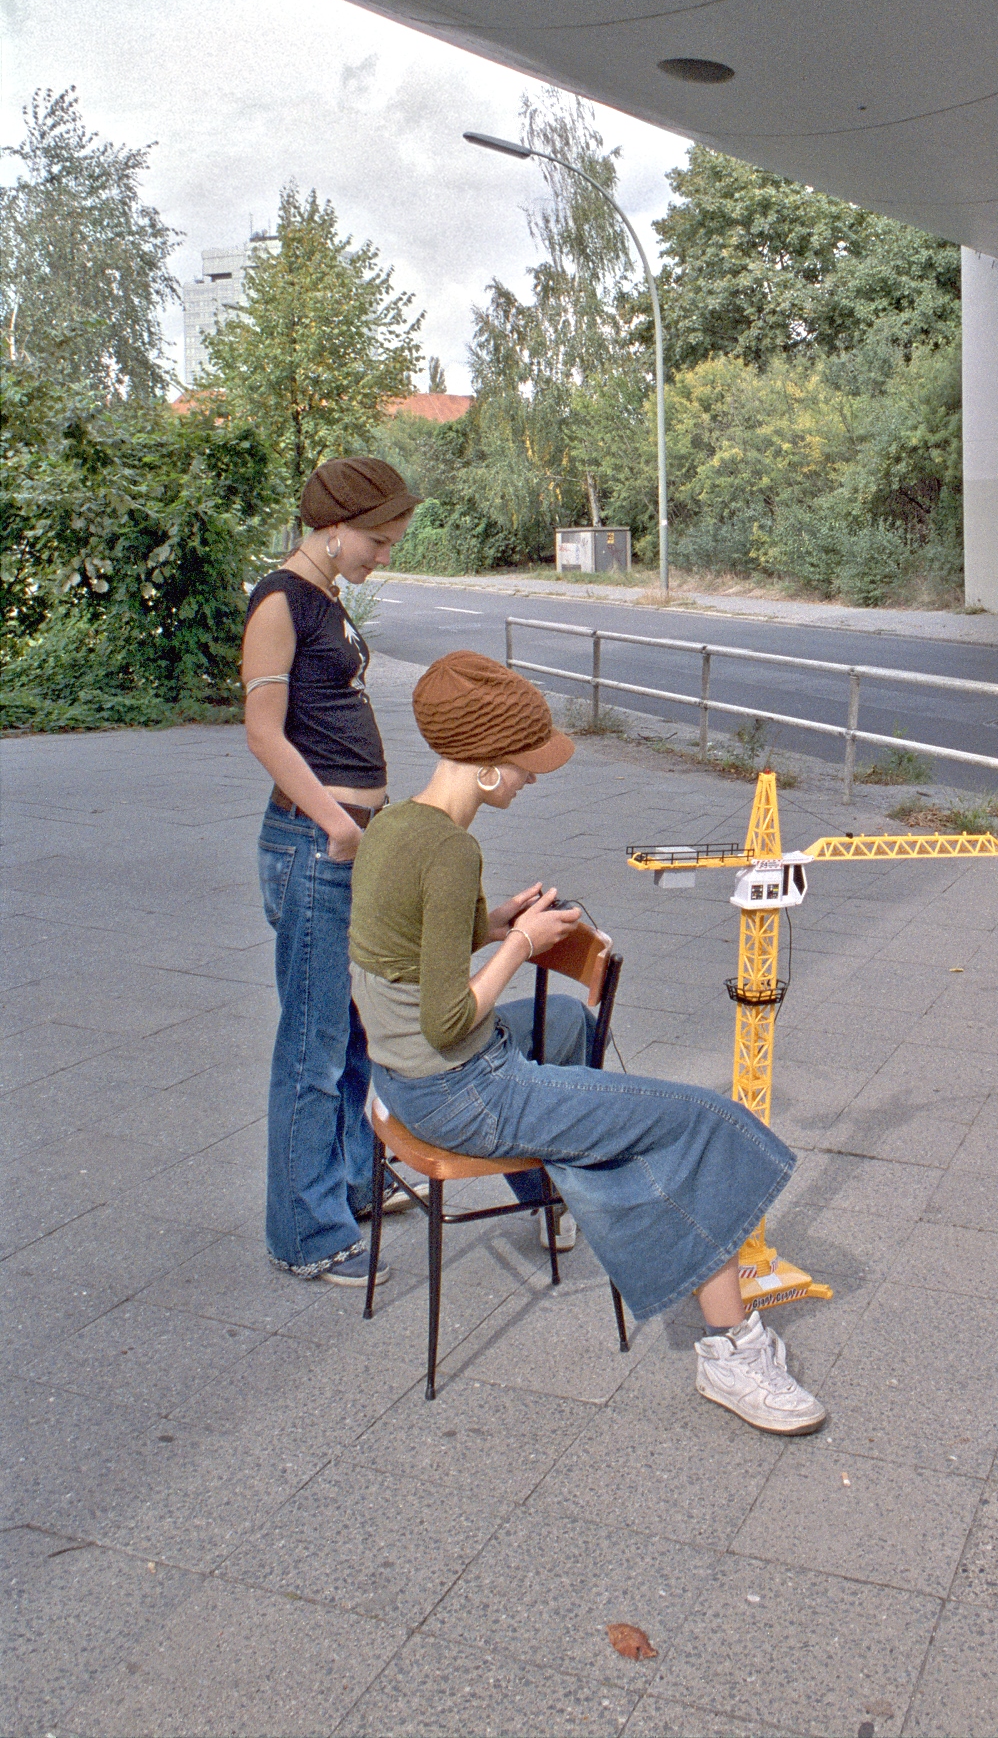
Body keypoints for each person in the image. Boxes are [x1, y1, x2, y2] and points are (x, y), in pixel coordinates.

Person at [348, 650, 827, 1435]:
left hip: (398, 1078)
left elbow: (410, 947)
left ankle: (565, 1193)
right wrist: (520, 944)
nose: (533, 777)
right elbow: (446, 1019)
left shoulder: (398, 824)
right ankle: (731, 1351)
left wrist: (496, 920)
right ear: (490, 764)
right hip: (459, 1089)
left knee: (572, 1028)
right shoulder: (450, 849)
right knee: (696, 1120)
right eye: (525, 764)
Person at [242, 455, 417, 1286]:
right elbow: (265, 733)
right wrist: (336, 823)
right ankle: (305, 1233)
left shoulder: (324, 597)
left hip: (342, 840)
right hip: (316, 845)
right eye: (377, 540)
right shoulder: (280, 599)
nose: (383, 554)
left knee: (348, 1033)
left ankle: (346, 1185)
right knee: (312, 1043)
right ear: (334, 525)